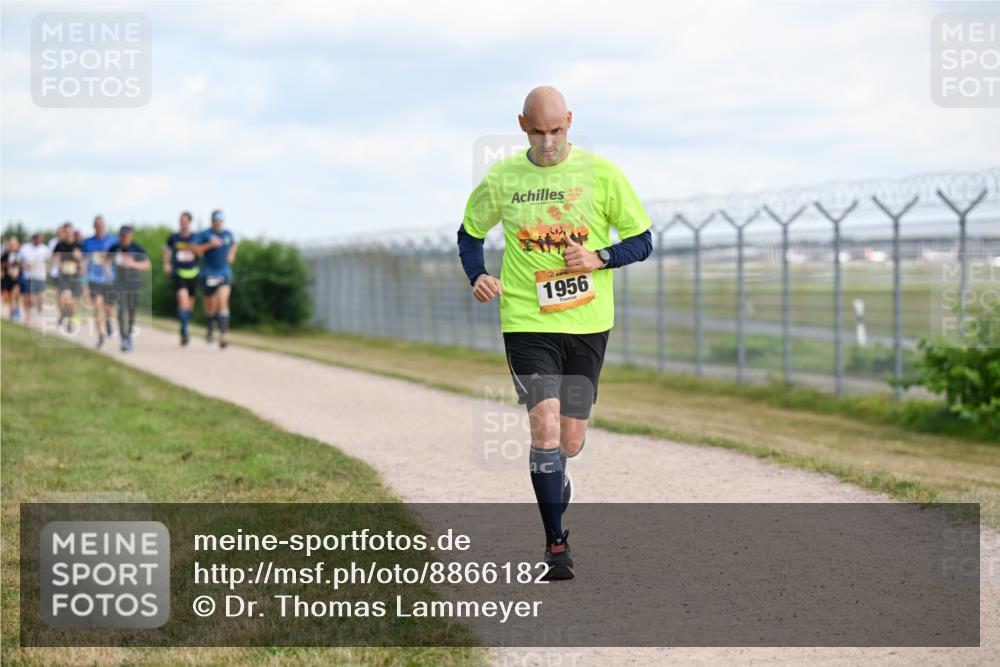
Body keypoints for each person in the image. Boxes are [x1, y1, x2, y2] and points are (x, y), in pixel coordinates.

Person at [457, 86, 653, 580]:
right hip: (527, 320)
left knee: (569, 441)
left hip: (588, 323)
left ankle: (558, 474)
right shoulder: (502, 178)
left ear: (569, 121)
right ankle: (556, 545)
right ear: (523, 125)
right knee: (543, 427)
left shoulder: (601, 174)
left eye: (557, 130)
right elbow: (469, 233)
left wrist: (599, 257)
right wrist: (478, 274)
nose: (548, 142)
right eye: (539, 132)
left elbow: (643, 240)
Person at [192, 209, 237, 349]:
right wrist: (209, 245)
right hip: (208, 274)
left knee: (223, 302)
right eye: (216, 220)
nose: (218, 223)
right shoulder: (204, 234)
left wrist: (231, 254)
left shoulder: (228, 234)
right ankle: (211, 325)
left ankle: (223, 337)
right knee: (210, 307)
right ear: (212, 221)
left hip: (223, 273)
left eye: (220, 220)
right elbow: (195, 250)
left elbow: (234, 244)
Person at [106, 225, 151, 352]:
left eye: (126, 236)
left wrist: (132, 264)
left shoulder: (137, 248)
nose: (124, 238)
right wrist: (107, 272)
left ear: (131, 235)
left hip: (133, 282)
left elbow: (147, 265)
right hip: (119, 282)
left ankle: (129, 335)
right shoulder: (115, 248)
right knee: (121, 309)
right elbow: (107, 262)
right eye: (122, 236)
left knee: (131, 311)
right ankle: (124, 338)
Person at [163, 211, 200, 345]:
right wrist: (166, 264)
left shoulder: (196, 237)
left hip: (193, 273)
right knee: (182, 300)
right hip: (179, 272)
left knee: (190, 305)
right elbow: (166, 250)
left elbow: (201, 252)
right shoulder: (173, 237)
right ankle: (184, 330)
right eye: (180, 220)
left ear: (190, 222)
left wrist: (193, 249)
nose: (182, 223)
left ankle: (184, 324)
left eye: (185, 220)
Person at [81, 216, 118, 348]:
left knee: (109, 307)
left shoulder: (114, 240)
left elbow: (118, 258)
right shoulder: (88, 242)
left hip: (109, 279)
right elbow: (84, 263)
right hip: (94, 278)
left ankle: (108, 321)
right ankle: (101, 336)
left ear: (105, 225)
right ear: (93, 226)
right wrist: (83, 282)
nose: (99, 226)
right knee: (97, 305)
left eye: (101, 224)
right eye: (96, 224)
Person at [53, 223, 84, 332]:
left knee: (72, 303)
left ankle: (70, 320)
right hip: (64, 276)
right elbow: (55, 257)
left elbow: (83, 260)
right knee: (65, 298)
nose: (67, 233)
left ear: (72, 232)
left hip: (75, 277)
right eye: (66, 231)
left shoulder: (79, 244)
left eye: (69, 231)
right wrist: (58, 263)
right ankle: (64, 314)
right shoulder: (60, 244)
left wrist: (79, 257)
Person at [17, 232, 52, 322]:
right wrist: (24, 265)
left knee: (40, 295)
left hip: (40, 275)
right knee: (28, 296)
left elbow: (49, 261)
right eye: (37, 239)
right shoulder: (25, 248)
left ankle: (39, 310)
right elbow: (19, 260)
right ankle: (28, 314)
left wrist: (46, 268)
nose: (39, 241)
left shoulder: (45, 249)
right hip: (28, 275)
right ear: (33, 239)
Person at [1, 236, 22, 320]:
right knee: (8, 298)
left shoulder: (19, 254)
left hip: (16, 279)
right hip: (6, 279)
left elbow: (22, 265)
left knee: (15, 294)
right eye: (11, 244)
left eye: (14, 244)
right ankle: (11, 314)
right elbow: (2, 265)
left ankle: (16, 311)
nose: (13, 246)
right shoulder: (5, 254)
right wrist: (7, 265)